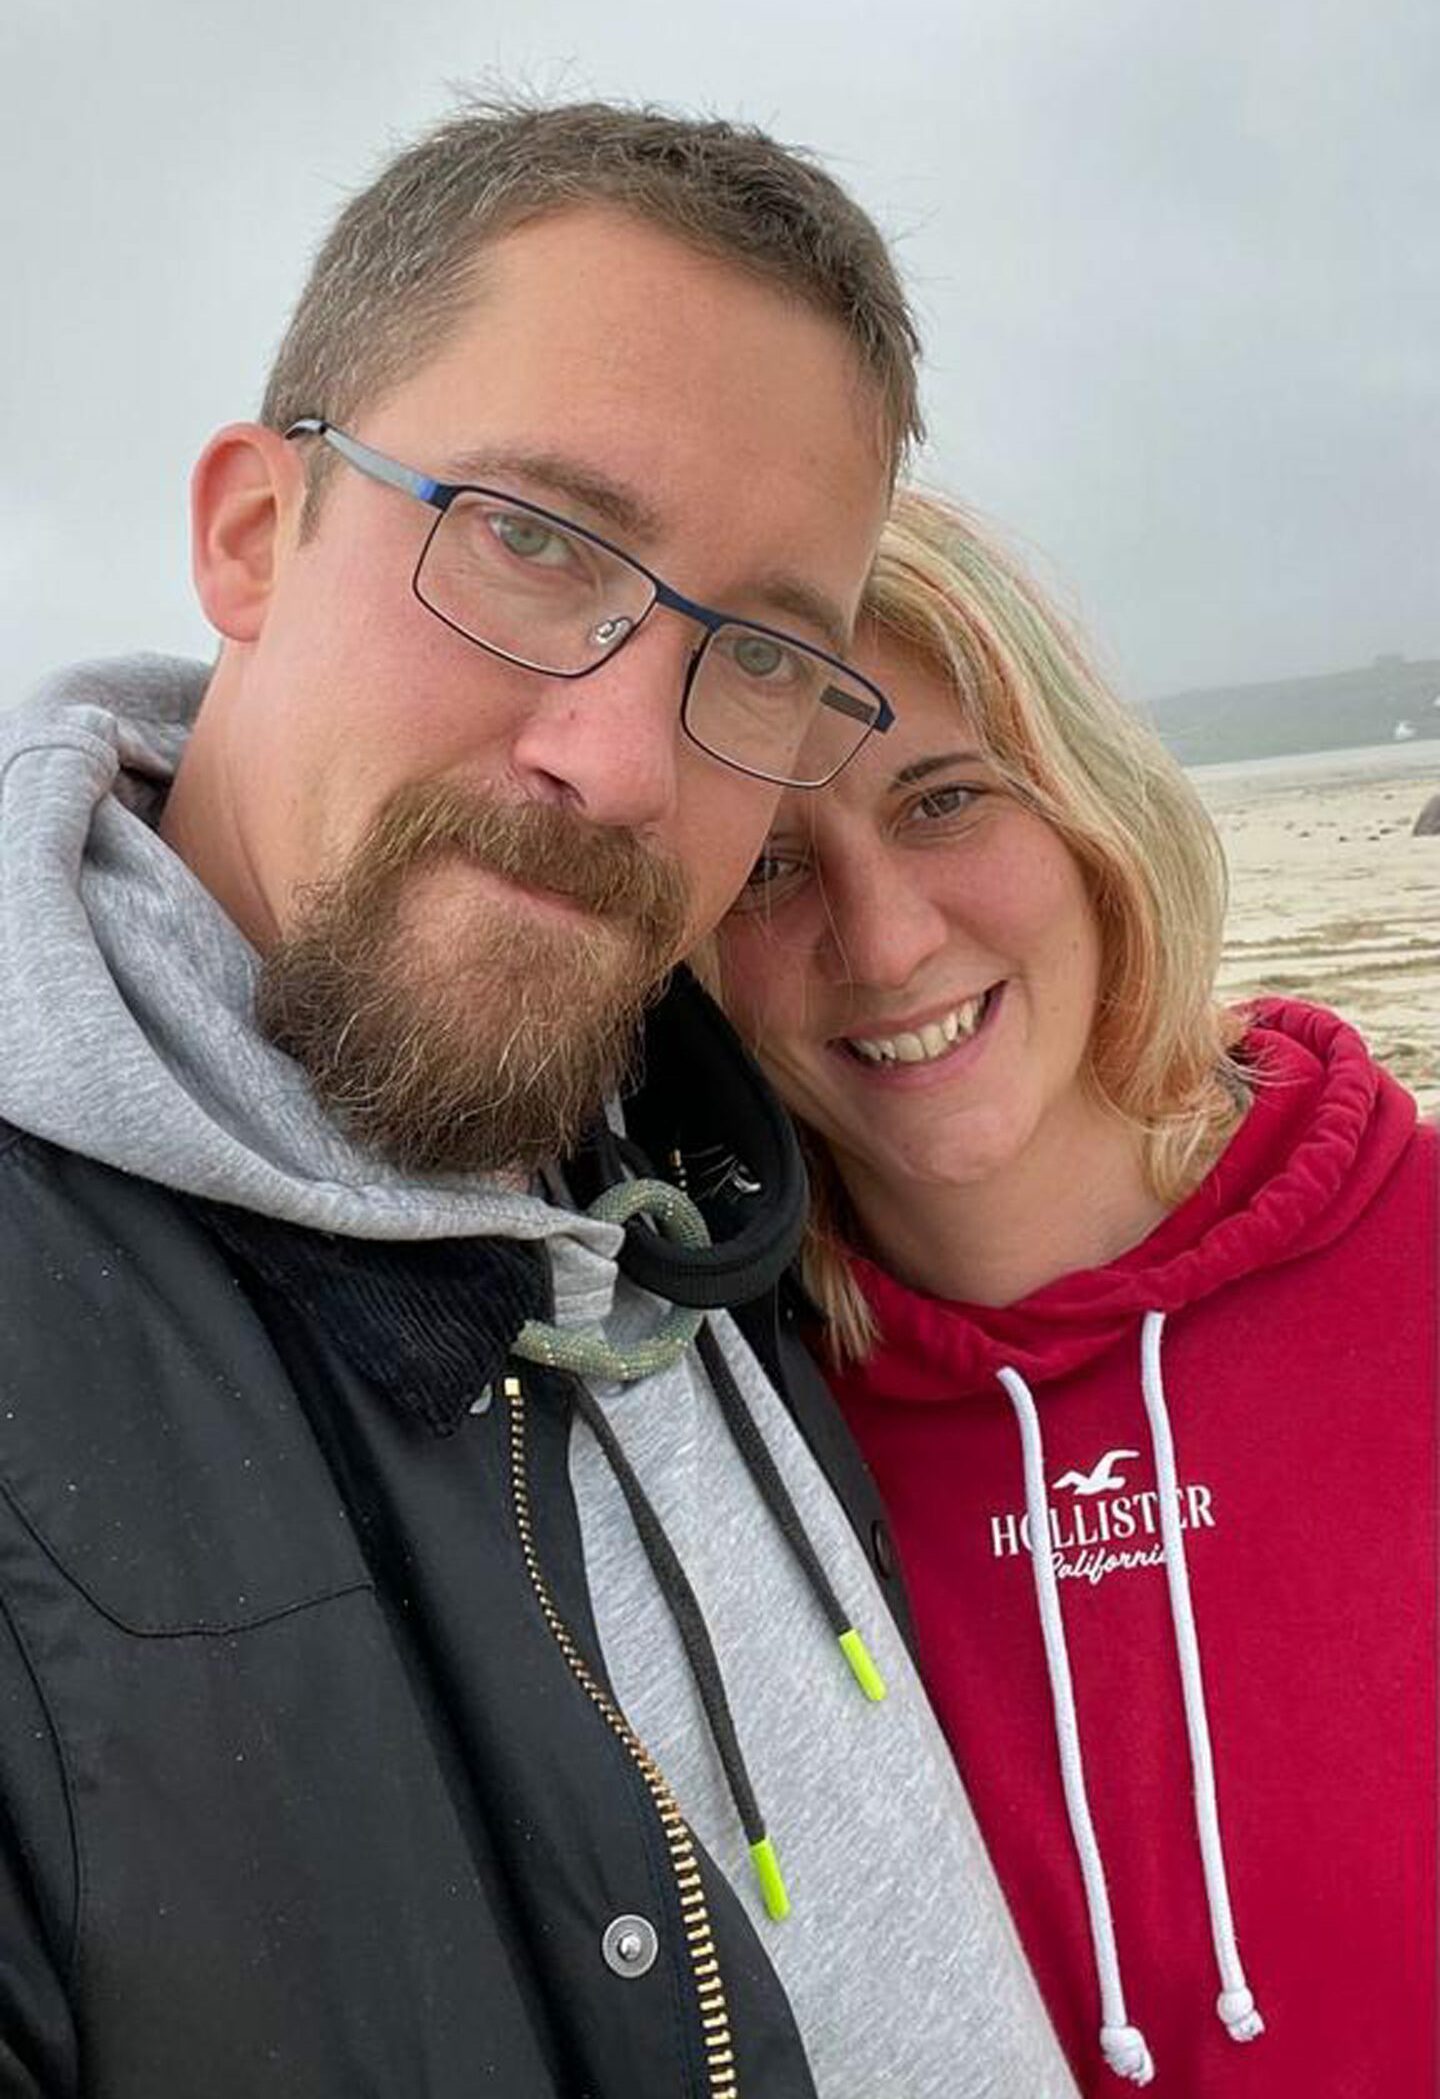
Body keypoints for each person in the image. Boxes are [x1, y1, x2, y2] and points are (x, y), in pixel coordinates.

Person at [0, 106, 1078, 2098]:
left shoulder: (713, 1178)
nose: (620, 761)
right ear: (255, 532)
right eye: (528, 540)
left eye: (760, 657)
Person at [716, 488, 1438, 2094]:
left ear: (1092, 809)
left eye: (945, 800)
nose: (887, 942)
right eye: (767, 865)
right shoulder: (726, 1445)